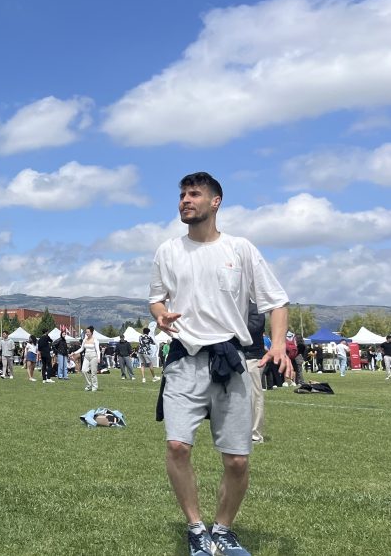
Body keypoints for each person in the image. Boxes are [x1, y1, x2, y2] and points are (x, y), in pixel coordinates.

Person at [149, 172, 291, 556]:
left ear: (216, 201)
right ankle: (196, 529)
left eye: (194, 194)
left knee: (238, 460)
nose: (184, 200)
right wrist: (161, 314)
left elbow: (276, 301)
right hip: (184, 360)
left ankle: (223, 530)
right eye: (181, 194)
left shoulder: (241, 249)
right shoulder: (168, 251)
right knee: (178, 446)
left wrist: (278, 345)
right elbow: (156, 298)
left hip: (232, 361)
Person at [241, 302, 267, 444]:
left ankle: (255, 434)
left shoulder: (255, 307)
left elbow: (255, 328)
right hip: (238, 356)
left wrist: (233, 323)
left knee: (255, 396)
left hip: (253, 357)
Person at [75, 327, 101, 392]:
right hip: (86, 356)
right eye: (86, 332)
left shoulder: (95, 340)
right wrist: (74, 353)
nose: (87, 333)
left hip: (93, 357)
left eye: (88, 332)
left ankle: (94, 386)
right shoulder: (84, 340)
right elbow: (81, 348)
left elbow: (98, 350)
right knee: (84, 370)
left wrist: (99, 358)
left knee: (93, 373)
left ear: (91, 332)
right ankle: (89, 385)